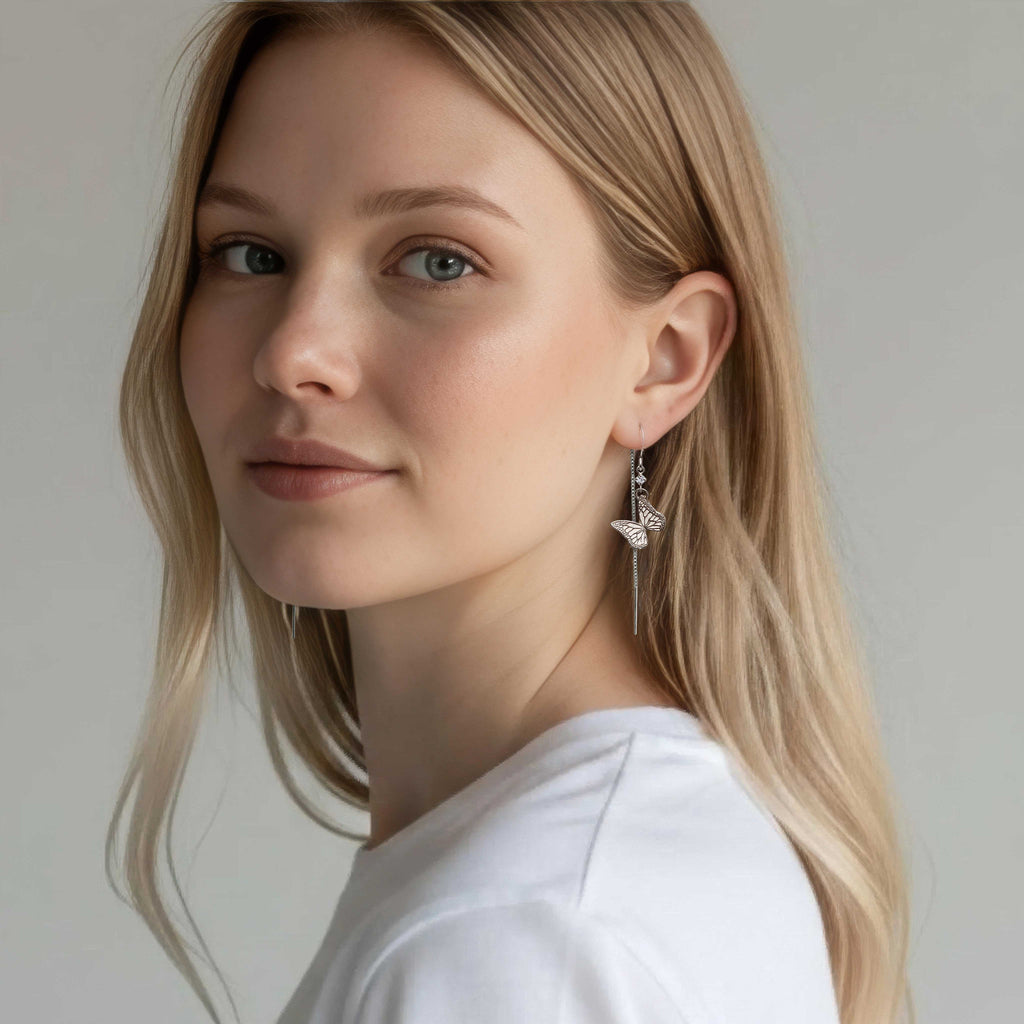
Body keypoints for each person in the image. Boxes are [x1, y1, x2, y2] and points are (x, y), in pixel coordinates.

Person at [107, 4, 915, 1024]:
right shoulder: (623, 866)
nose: (292, 352)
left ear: (665, 358)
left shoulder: (515, 940)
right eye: (249, 254)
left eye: (439, 259)